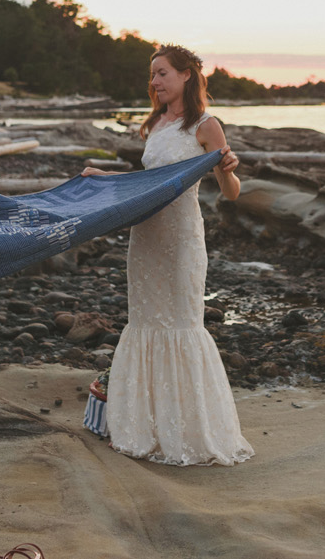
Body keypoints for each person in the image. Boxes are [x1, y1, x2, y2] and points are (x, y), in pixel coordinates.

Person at [82, 44, 254, 465]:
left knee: (179, 322)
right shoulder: (155, 123)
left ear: (186, 76)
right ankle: (145, 427)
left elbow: (232, 195)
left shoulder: (206, 125)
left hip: (180, 240)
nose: (155, 82)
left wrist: (229, 168)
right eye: (153, 75)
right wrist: (107, 177)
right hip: (146, 237)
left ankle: (187, 435)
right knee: (143, 321)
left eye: (162, 74)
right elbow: (147, 183)